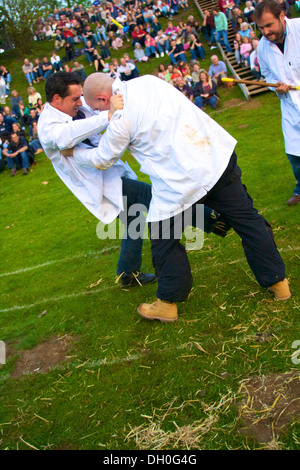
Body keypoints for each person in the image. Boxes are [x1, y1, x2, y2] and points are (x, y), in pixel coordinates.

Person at [61, 72, 291, 321]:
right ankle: (279, 283)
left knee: (163, 239)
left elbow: (102, 158)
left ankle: (168, 302)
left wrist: (74, 152)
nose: (98, 113)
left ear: (104, 98)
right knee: (248, 220)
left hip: (179, 181)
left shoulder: (120, 119)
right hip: (214, 157)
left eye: (96, 108)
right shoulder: (148, 80)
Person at [37, 71, 155, 287]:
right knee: (153, 195)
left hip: (111, 173)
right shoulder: (48, 127)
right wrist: (107, 116)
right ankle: (215, 220)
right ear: (56, 99)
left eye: (80, 96)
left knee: (134, 219)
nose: (80, 102)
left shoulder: (76, 109)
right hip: (100, 183)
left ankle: (127, 274)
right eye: (74, 98)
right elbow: (68, 135)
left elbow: (100, 103)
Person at [254, 0, 300, 206]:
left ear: (282, 16)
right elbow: (266, 75)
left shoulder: (299, 28)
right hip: (291, 106)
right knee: (295, 156)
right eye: (261, 27)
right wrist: (275, 86)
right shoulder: (262, 48)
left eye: (269, 25)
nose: (265, 31)